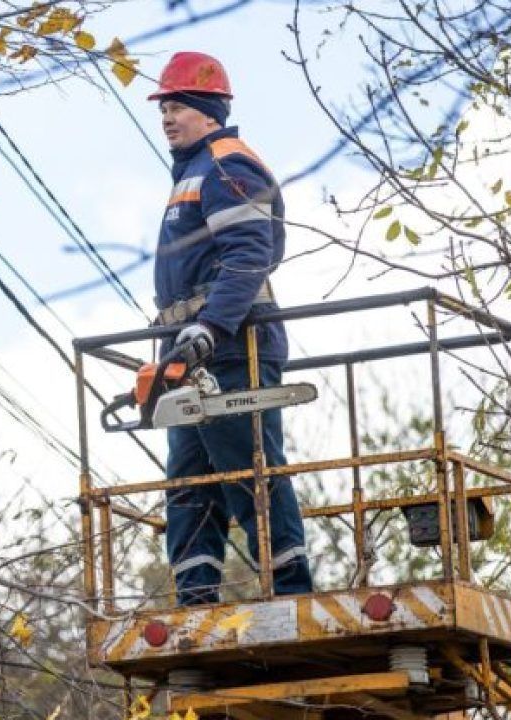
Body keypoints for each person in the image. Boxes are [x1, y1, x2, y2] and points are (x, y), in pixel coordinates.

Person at [150, 51, 314, 608]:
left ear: (207, 109)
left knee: (248, 468)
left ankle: (291, 589)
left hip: (230, 349)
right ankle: (195, 596)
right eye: (163, 109)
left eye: (177, 107)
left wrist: (209, 329)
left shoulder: (225, 166)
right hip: (192, 354)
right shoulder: (195, 174)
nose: (167, 118)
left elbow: (249, 255)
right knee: (190, 481)